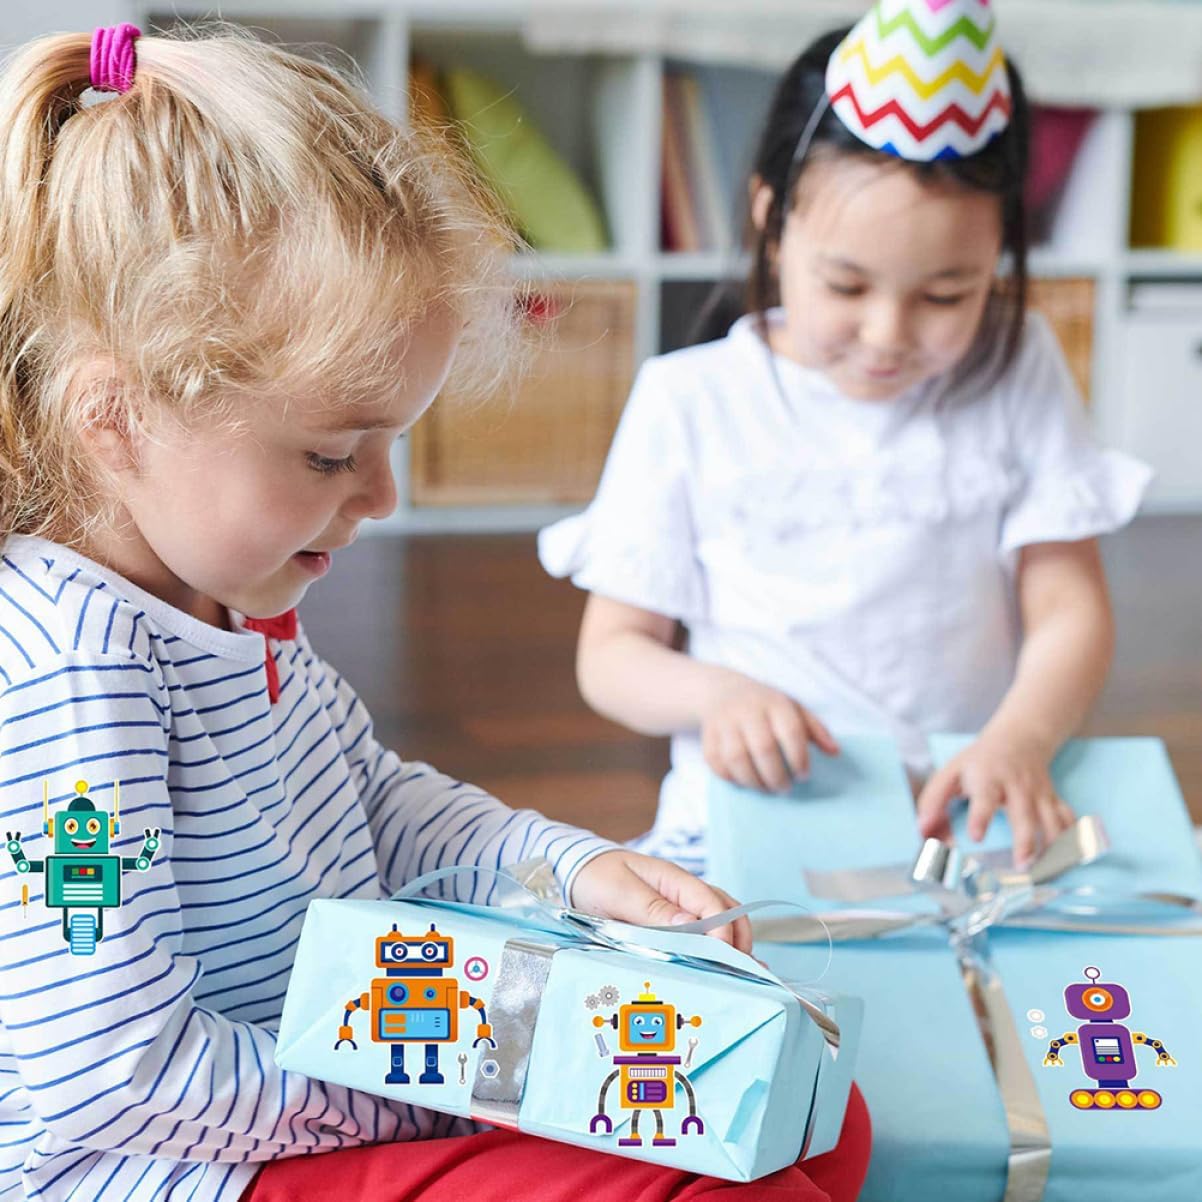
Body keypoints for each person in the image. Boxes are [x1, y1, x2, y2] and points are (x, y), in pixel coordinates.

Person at [0, 23, 869, 1202]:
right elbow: (118, 1076)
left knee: (798, 1104)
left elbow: (364, 800)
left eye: (387, 444)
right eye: (329, 453)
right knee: (725, 1173)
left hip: (335, 1072)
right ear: (115, 420)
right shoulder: (74, 682)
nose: (380, 495)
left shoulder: (231, 594)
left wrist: (569, 869)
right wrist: (470, 1082)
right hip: (175, 1162)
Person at [540, 0, 1151, 879]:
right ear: (770, 222)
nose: (887, 334)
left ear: (1000, 254)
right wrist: (718, 697)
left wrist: (1021, 738)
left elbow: (1069, 607)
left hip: (968, 809)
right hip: (756, 812)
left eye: (946, 295)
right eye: (846, 286)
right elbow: (612, 655)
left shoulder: (1018, 365)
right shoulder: (691, 399)